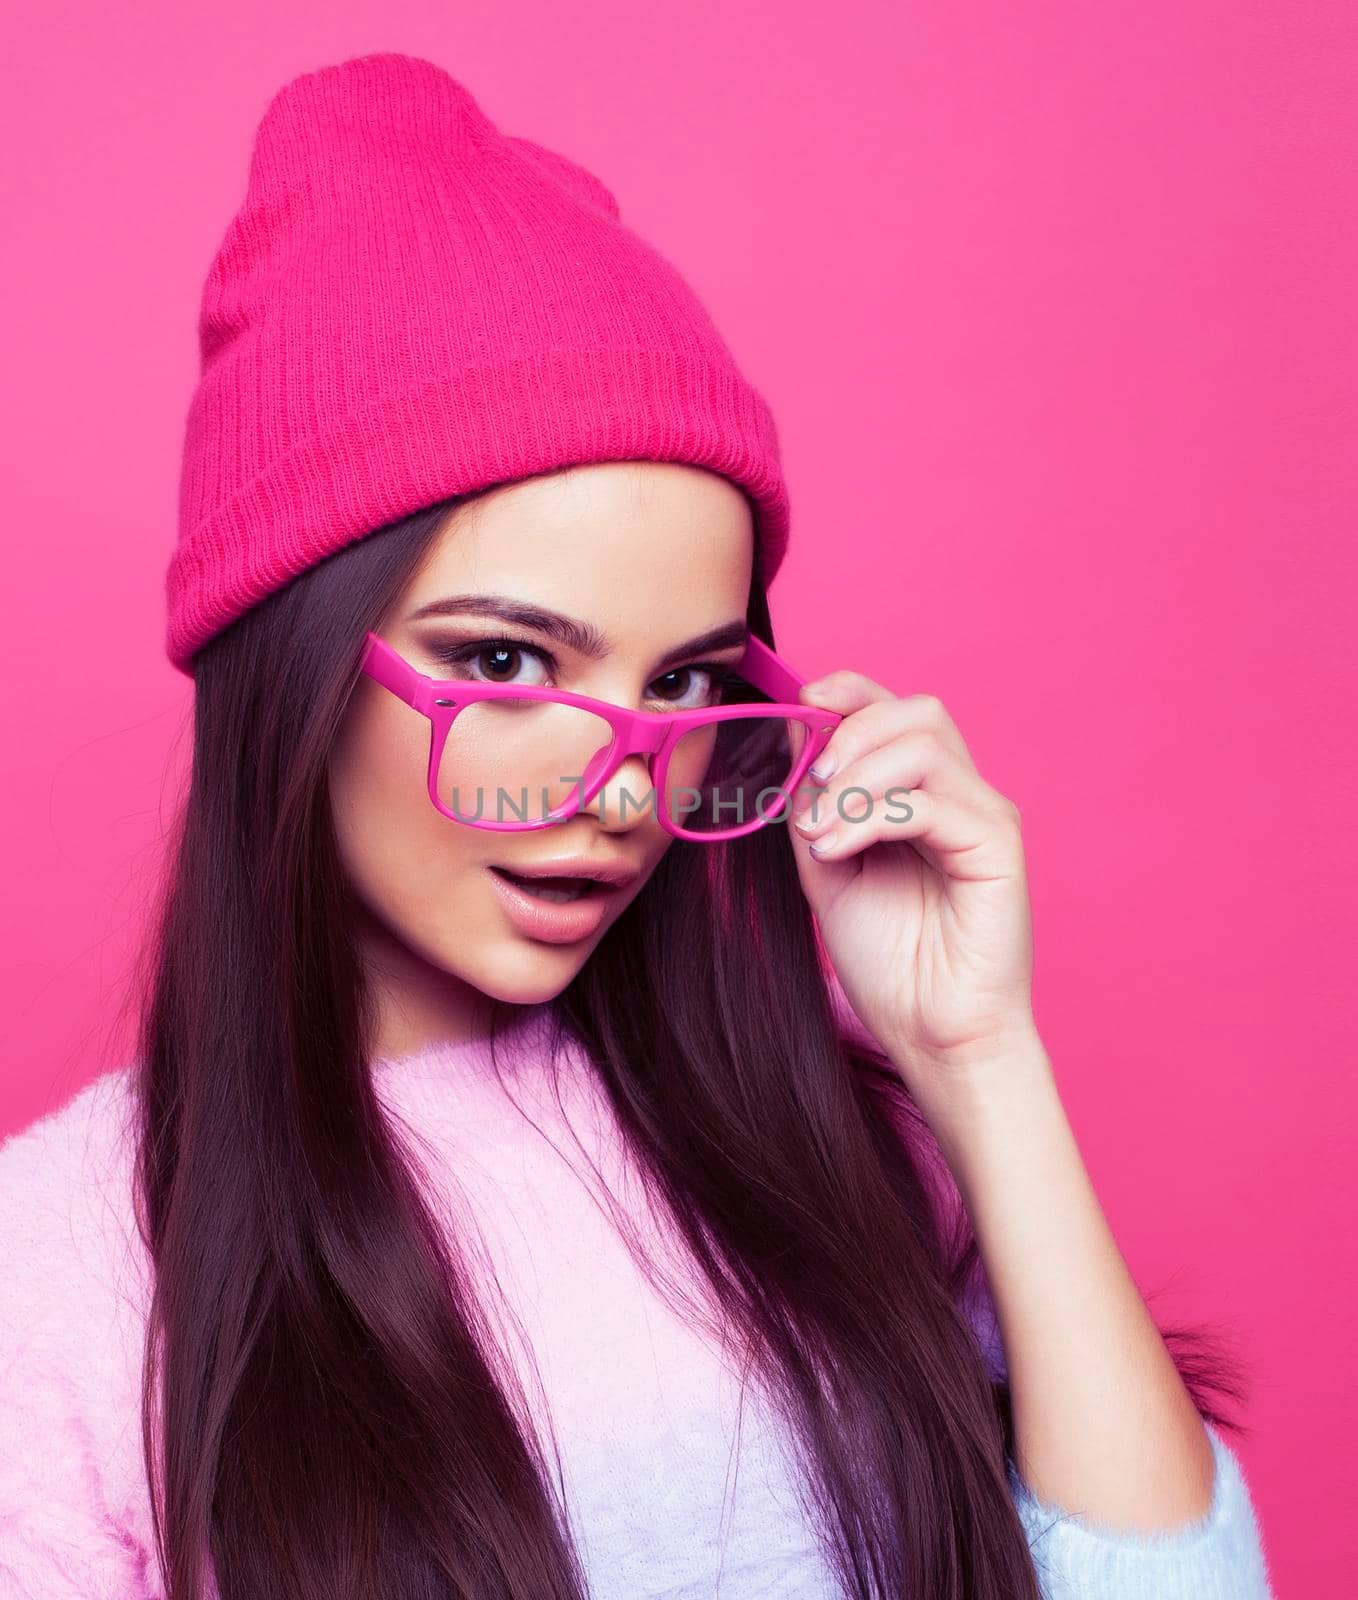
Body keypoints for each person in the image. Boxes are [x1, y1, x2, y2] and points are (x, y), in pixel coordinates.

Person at [0, 51, 1275, 1600]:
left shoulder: (813, 1142)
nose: (621, 783)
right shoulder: (62, 1274)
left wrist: (977, 1061)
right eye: (506, 663)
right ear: (293, 671)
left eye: (682, 684)